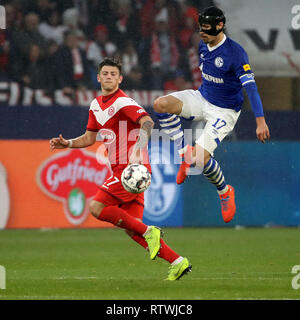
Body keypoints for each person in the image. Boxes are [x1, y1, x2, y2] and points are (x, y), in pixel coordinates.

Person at [49, 57, 191, 280]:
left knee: (96, 208)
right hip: (123, 171)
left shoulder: (123, 102)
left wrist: (138, 149)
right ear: (98, 77)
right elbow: (88, 138)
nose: (108, 77)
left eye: (113, 74)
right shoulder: (96, 105)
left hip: (132, 169)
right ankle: (178, 261)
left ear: (120, 79)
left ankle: (149, 231)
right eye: (105, 73)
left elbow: (148, 122)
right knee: (131, 228)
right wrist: (67, 143)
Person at [153, 6, 270, 224]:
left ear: (220, 26)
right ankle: (183, 154)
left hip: (225, 111)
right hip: (202, 98)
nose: (202, 33)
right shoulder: (202, 45)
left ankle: (225, 191)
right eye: (200, 28)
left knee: (199, 158)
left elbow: (251, 88)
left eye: (206, 28)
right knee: (160, 104)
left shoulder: (235, 53)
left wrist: (260, 121)